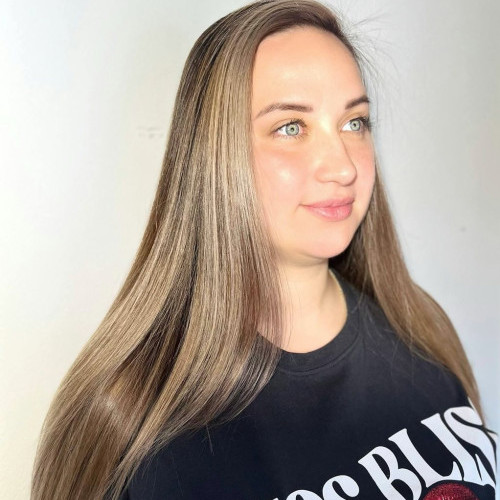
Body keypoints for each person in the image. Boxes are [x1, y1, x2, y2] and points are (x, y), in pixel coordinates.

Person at [31, 0, 497, 499]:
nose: (343, 166)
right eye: (291, 127)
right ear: (215, 155)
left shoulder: (419, 329)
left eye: (354, 122)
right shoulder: (135, 430)